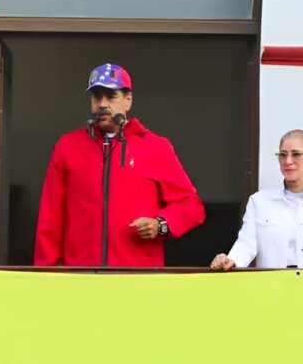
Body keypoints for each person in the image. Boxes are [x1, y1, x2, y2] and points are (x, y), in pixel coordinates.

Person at [33, 63, 205, 267]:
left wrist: (161, 224)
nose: (103, 104)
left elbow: (192, 206)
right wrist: (44, 276)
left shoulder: (156, 147)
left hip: (137, 281)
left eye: (111, 96)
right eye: (97, 96)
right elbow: (50, 219)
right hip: (80, 280)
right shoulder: (68, 147)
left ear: (128, 100)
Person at [211, 130, 303, 275]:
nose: (288, 161)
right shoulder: (258, 201)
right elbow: (246, 244)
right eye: (283, 155)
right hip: (272, 293)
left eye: (296, 154)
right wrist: (230, 260)